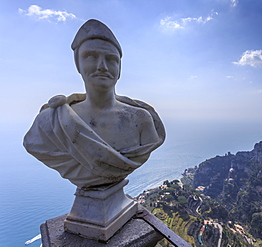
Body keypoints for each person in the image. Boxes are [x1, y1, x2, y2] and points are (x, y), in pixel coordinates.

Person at [23, 19, 165, 188]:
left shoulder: (142, 119)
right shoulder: (51, 121)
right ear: (78, 64)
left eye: (111, 59)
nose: (102, 66)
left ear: (119, 69)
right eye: (91, 56)